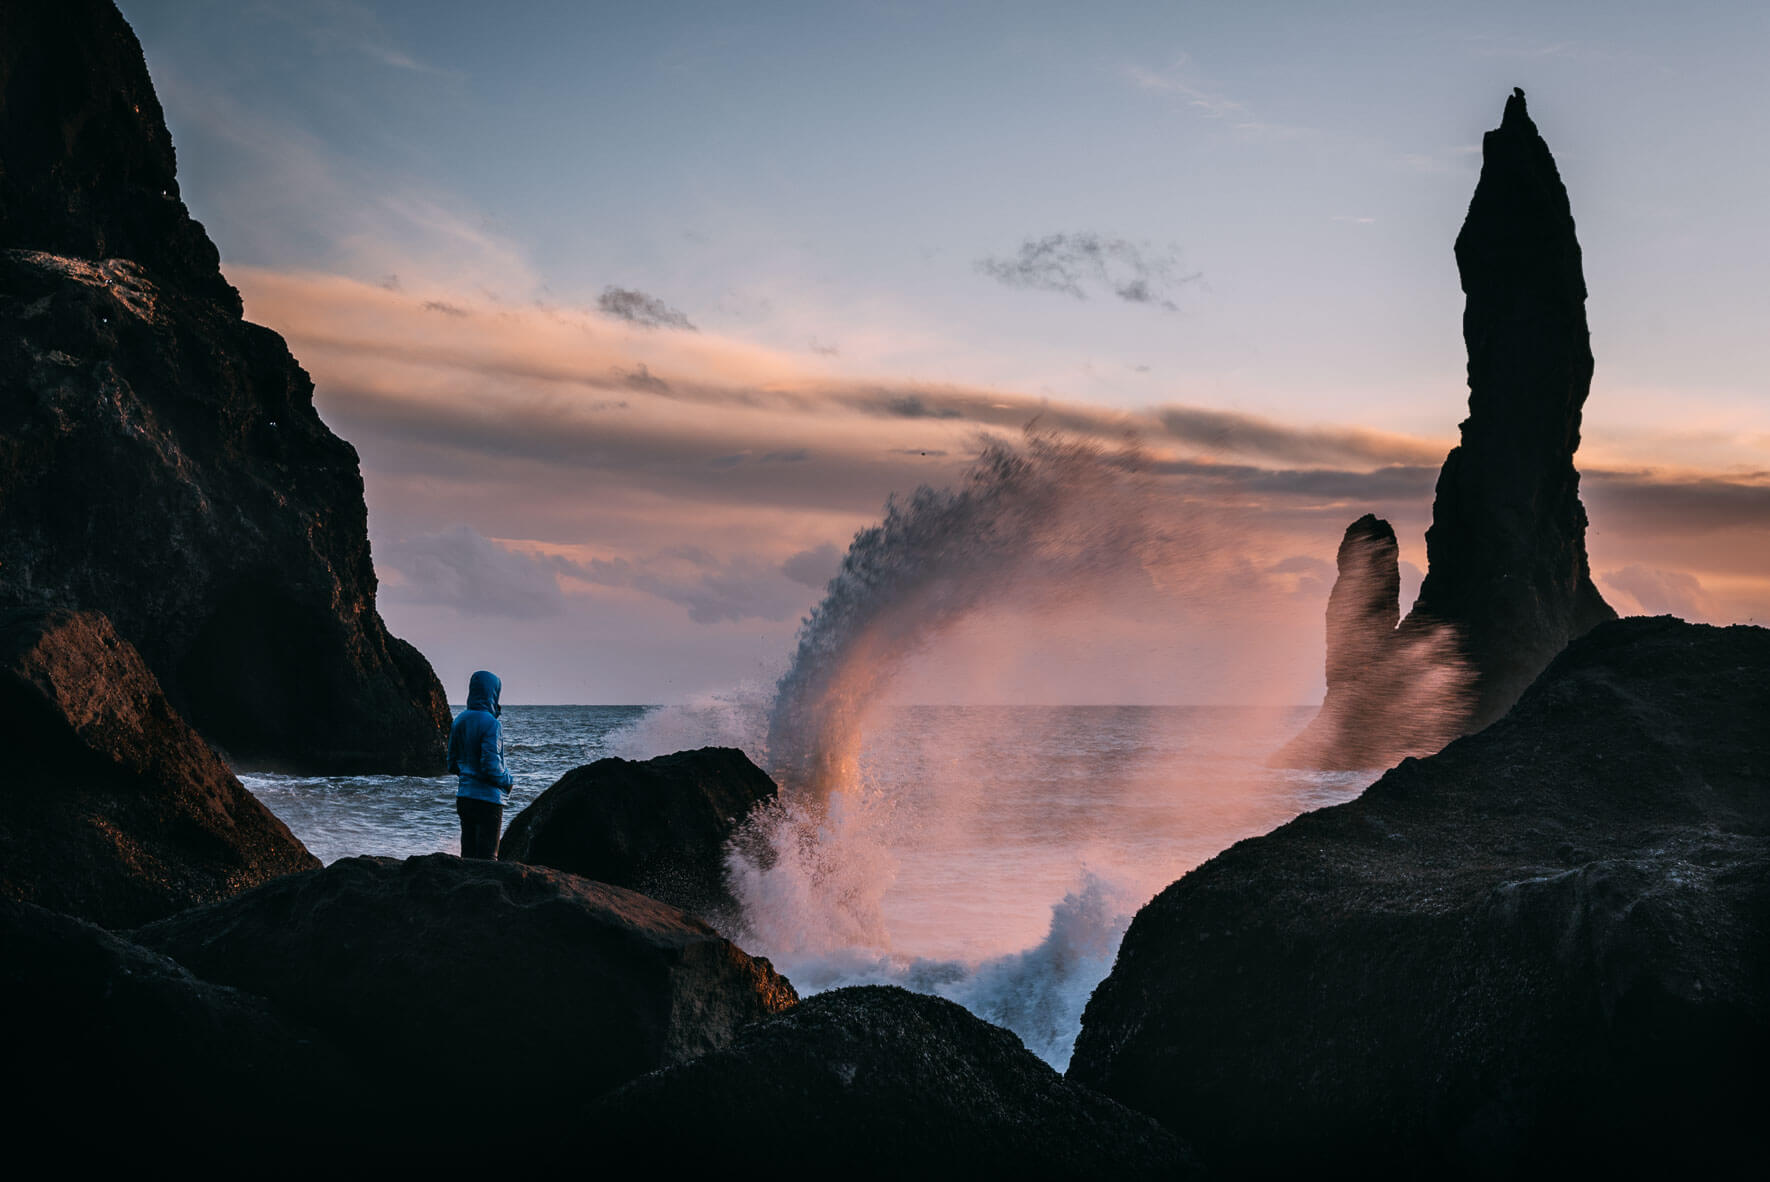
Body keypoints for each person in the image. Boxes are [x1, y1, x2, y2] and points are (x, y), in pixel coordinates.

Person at [448, 669, 514, 858]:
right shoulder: (492, 724)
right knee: (488, 858)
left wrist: (468, 776)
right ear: (494, 692)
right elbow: (491, 766)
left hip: (464, 797)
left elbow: (451, 763)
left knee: (467, 854)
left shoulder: (459, 720)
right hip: (488, 800)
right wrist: (507, 781)